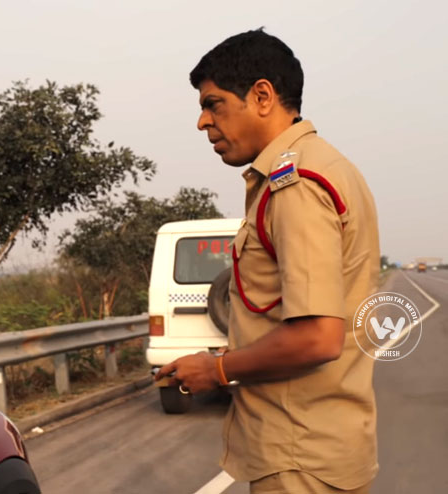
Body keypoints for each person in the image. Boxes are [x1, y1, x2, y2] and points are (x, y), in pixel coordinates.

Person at [155, 30, 379, 493]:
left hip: (300, 457)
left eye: (214, 104)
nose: (202, 122)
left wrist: (216, 370)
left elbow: (317, 338)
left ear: (262, 96)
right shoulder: (326, 167)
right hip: (320, 447)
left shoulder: (296, 184)